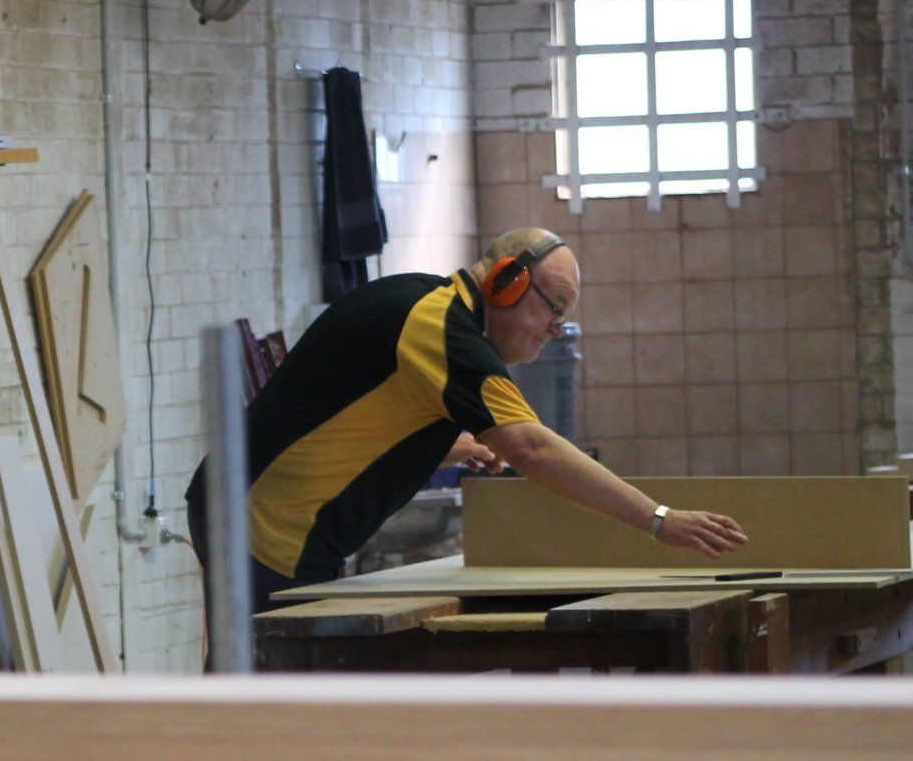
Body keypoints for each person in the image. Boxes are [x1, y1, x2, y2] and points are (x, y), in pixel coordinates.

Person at [186, 227, 747, 607]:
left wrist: (453, 445)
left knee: (269, 704)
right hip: (262, 524)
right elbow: (533, 448)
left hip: (252, 512)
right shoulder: (439, 328)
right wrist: (658, 519)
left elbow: (357, 408)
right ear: (508, 282)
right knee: (267, 712)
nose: (552, 333)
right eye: (551, 312)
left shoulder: (422, 305)